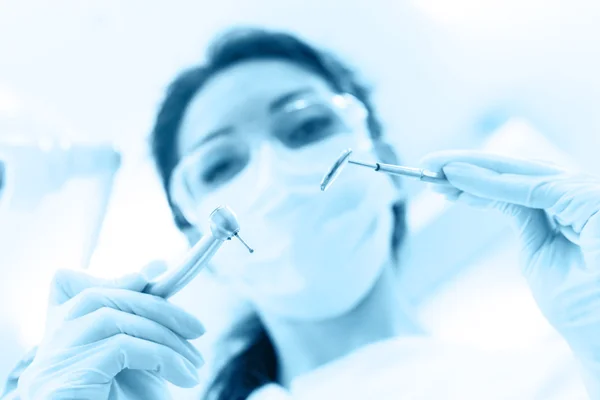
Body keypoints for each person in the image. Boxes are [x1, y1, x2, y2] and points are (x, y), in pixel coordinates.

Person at [3, 27, 600, 400]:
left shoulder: (559, 377)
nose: (275, 174)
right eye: (220, 165)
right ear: (191, 237)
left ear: (385, 165)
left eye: (307, 126)